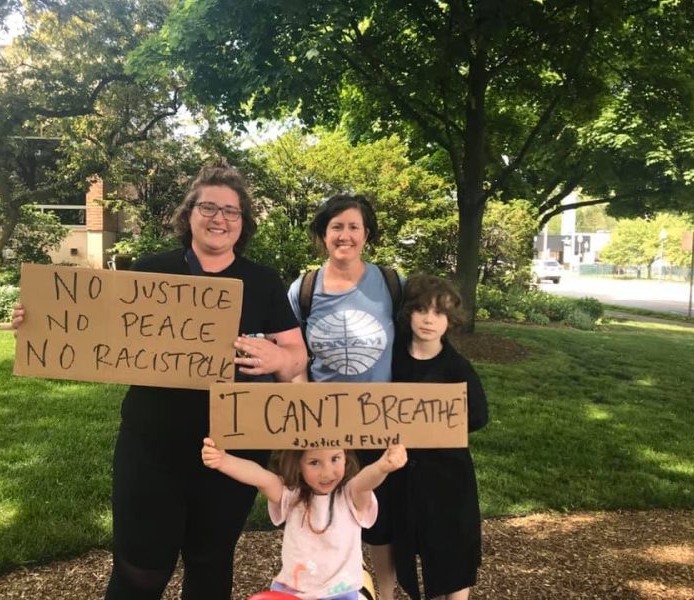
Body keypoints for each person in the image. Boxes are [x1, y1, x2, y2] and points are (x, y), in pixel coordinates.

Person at [13, 164, 307, 600]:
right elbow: (95, 331)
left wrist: (277, 356)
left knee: (210, 565)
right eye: (208, 206)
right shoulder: (152, 271)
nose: (219, 218)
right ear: (189, 213)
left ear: (243, 223)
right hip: (152, 445)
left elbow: (296, 358)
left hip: (231, 450)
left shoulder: (262, 282)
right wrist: (39, 322)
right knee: (140, 570)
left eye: (232, 211)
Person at [287, 194, 402, 599]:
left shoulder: (390, 284)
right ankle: (316, 589)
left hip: (377, 421)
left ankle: (384, 594)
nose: (345, 235)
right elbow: (293, 354)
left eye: (354, 226)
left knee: (378, 521)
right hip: (323, 428)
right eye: (336, 227)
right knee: (317, 515)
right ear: (322, 235)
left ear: (366, 234)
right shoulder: (303, 289)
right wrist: (302, 404)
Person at [201, 438, 408, 600]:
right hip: (291, 594)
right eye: (314, 462)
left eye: (335, 459)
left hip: (341, 595)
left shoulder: (351, 495)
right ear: (298, 463)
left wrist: (382, 466)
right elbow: (260, 477)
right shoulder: (291, 497)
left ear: (346, 456)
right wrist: (224, 460)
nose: (327, 472)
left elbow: (365, 481)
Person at [387, 273, 489, 600]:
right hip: (401, 474)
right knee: (407, 546)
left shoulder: (457, 368)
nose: (429, 319)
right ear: (408, 314)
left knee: (452, 550)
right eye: (421, 310)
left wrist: (432, 425)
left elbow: (478, 416)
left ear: (451, 321)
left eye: (439, 313)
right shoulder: (392, 359)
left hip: (447, 475)